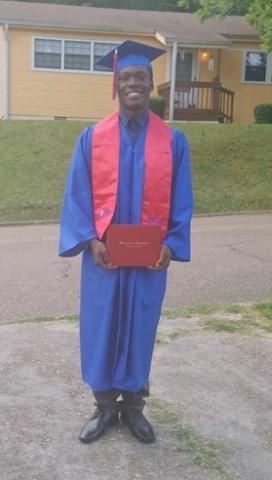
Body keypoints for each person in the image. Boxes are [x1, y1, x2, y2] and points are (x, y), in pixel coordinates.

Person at [59, 40, 193, 444]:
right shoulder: (91, 138)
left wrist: (171, 243)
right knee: (101, 326)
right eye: (126, 77)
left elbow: (182, 200)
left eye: (141, 77)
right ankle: (103, 407)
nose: (133, 83)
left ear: (152, 84)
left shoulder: (173, 142)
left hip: (150, 260)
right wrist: (90, 240)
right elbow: (76, 195)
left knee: (139, 327)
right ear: (115, 85)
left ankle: (133, 408)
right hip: (105, 258)